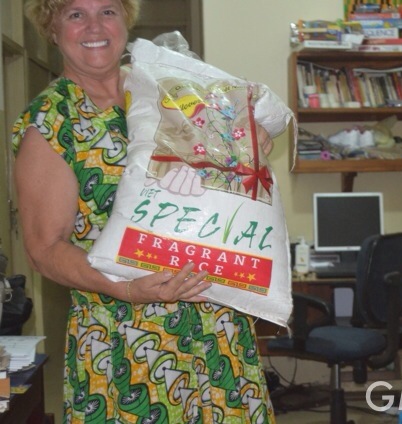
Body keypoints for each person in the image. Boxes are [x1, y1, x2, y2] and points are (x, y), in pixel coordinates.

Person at [12, 0, 276, 422]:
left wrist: (250, 137)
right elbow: (44, 249)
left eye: (108, 11)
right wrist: (128, 290)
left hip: (216, 323)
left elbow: (230, 159)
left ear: (126, 19)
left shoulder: (166, 85)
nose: (95, 26)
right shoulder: (51, 122)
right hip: (128, 339)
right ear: (52, 28)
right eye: (76, 14)